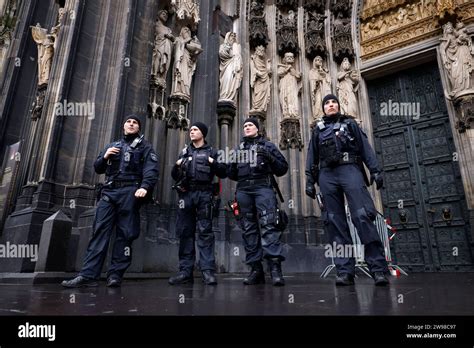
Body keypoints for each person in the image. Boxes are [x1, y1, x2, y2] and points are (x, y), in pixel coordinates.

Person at [62, 115, 160, 288]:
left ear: (139, 128)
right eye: (128, 121)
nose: (131, 124)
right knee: (99, 231)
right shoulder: (112, 145)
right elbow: (98, 167)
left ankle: (115, 275)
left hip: (131, 192)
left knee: (125, 234)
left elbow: (151, 170)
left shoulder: (146, 147)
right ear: (123, 125)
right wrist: (105, 156)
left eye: (135, 123)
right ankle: (88, 275)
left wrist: (145, 186)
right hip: (109, 191)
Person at [305, 94, 389, 286]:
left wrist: (375, 170)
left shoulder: (350, 124)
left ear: (338, 105)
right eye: (326, 103)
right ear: (323, 108)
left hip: (349, 169)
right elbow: (312, 156)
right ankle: (345, 271)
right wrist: (309, 180)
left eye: (333, 102)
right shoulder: (317, 130)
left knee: (362, 216)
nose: (331, 105)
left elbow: (365, 147)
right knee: (334, 222)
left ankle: (377, 269)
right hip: (327, 175)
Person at [227, 118, 288, 286]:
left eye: (250, 125)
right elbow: (231, 173)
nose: (246, 128)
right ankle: (256, 270)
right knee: (248, 229)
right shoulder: (238, 149)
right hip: (244, 190)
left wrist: (269, 157)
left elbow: (282, 168)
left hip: (263, 188)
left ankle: (275, 270)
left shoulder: (268, 146)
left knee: (269, 226)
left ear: (258, 129)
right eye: (245, 125)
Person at [168, 122, 227, 285]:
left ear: (203, 133)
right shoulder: (184, 152)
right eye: (191, 130)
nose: (191, 132)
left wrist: (212, 161)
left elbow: (224, 171)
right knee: (185, 232)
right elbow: (175, 175)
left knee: (205, 232)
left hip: (204, 194)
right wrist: (176, 165)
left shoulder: (213, 152)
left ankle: (207, 271)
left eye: (195, 130)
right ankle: (185, 272)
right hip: (186, 195)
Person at [170, 26, 203, 101]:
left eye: (189, 31)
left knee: (186, 78)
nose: (187, 32)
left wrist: (195, 55)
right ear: (181, 32)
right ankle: (178, 90)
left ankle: (184, 92)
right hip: (181, 63)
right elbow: (177, 50)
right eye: (185, 30)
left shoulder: (191, 44)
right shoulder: (179, 39)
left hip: (188, 64)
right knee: (181, 76)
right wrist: (185, 41)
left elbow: (193, 60)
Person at [218, 32, 243, 105]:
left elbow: (239, 59)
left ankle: (231, 96)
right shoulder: (224, 46)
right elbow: (222, 54)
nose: (233, 37)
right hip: (227, 67)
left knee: (233, 81)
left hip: (234, 68)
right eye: (231, 36)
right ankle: (225, 95)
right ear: (227, 37)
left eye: (234, 36)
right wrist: (228, 47)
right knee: (227, 79)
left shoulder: (236, 48)